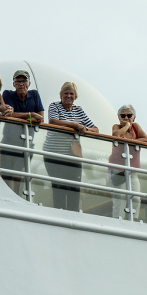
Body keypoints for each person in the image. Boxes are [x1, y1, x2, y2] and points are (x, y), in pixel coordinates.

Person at [45, 82, 98, 211]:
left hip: (73, 155)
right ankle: (59, 214)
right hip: (54, 154)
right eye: (66, 93)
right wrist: (75, 125)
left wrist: (84, 128)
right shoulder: (54, 106)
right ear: (61, 95)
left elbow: (96, 129)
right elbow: (53, 121)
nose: (68, 96)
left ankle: (73, 215)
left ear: (75, 96)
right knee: (59, 187)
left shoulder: (78, 110)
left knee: (74, 187)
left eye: (71, 93)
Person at [0, 69, 44, 195]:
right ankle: (7, 196)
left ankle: (16, 196)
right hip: (8, 141)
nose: (21, 84)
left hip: (26, 143)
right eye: (17, 81)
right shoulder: (8, 94)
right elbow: (8, 115)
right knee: (7, 174)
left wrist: (21, 116)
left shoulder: (34, 94)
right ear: (13, 84)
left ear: (29, 83)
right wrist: (31, 115)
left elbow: (41, 118)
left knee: (19, 173)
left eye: (24, 81)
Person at [108, 104, 147, 220]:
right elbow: (116, 136)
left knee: (136, 198)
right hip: (116, 169)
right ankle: (117, 220)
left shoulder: (136, 127)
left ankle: (134, 221)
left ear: (134, 117)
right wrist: (126, 126)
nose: (126, 118)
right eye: (123, 115)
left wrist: (128, 140)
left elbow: (146, 140)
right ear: (119, 117)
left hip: (132, 170)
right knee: (119, 198)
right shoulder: (116, 126)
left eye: (129, 115)